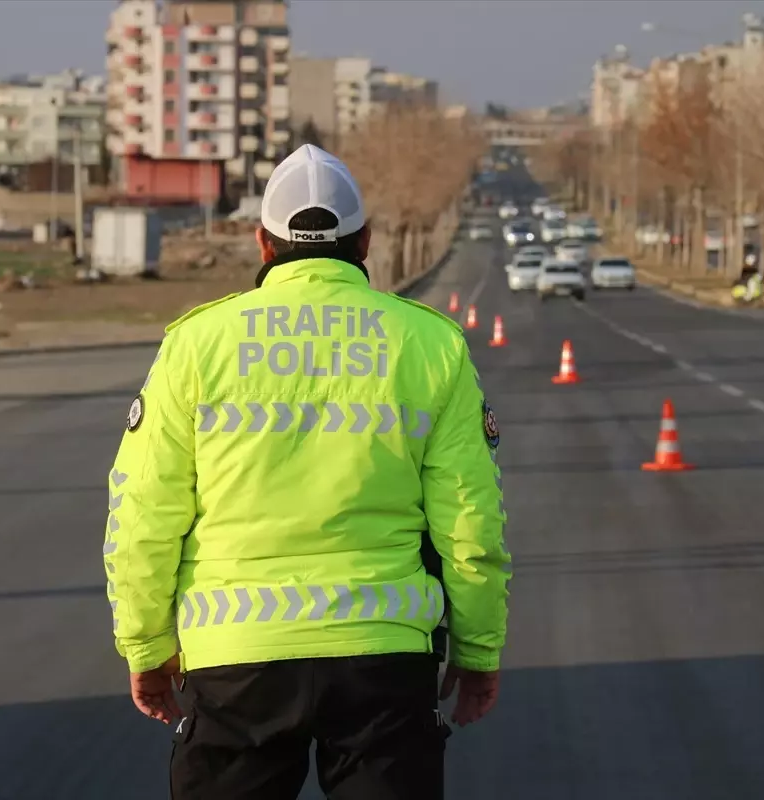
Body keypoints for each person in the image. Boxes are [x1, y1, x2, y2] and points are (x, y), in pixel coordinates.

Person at [102, 144, 512, 800]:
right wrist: (480, 649)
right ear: (367, 242)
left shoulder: (197, 344)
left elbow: (144, 513)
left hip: (235, 660)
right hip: (385, 660)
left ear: (262, 243)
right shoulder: (430, 343)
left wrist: (146, 645)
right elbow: (471, 520)